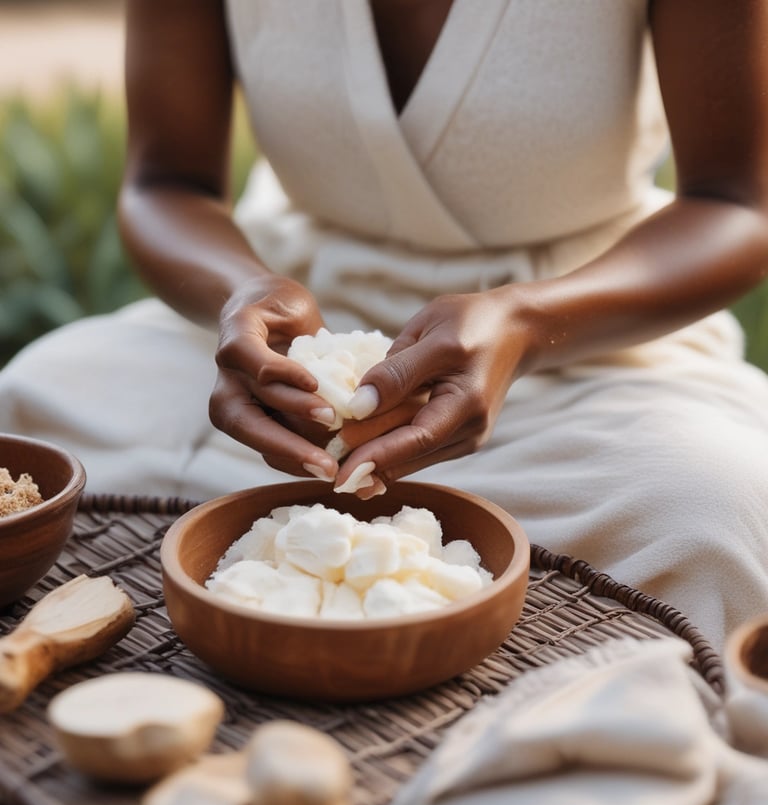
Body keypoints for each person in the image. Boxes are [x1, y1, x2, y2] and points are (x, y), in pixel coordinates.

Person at [2, 0, 768, 651]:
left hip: (588, 340)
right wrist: (241, 294)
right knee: (29, 405)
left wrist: (529, 321)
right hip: (284, 338)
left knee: (706, 520)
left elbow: (737, 203)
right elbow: (165, 179)